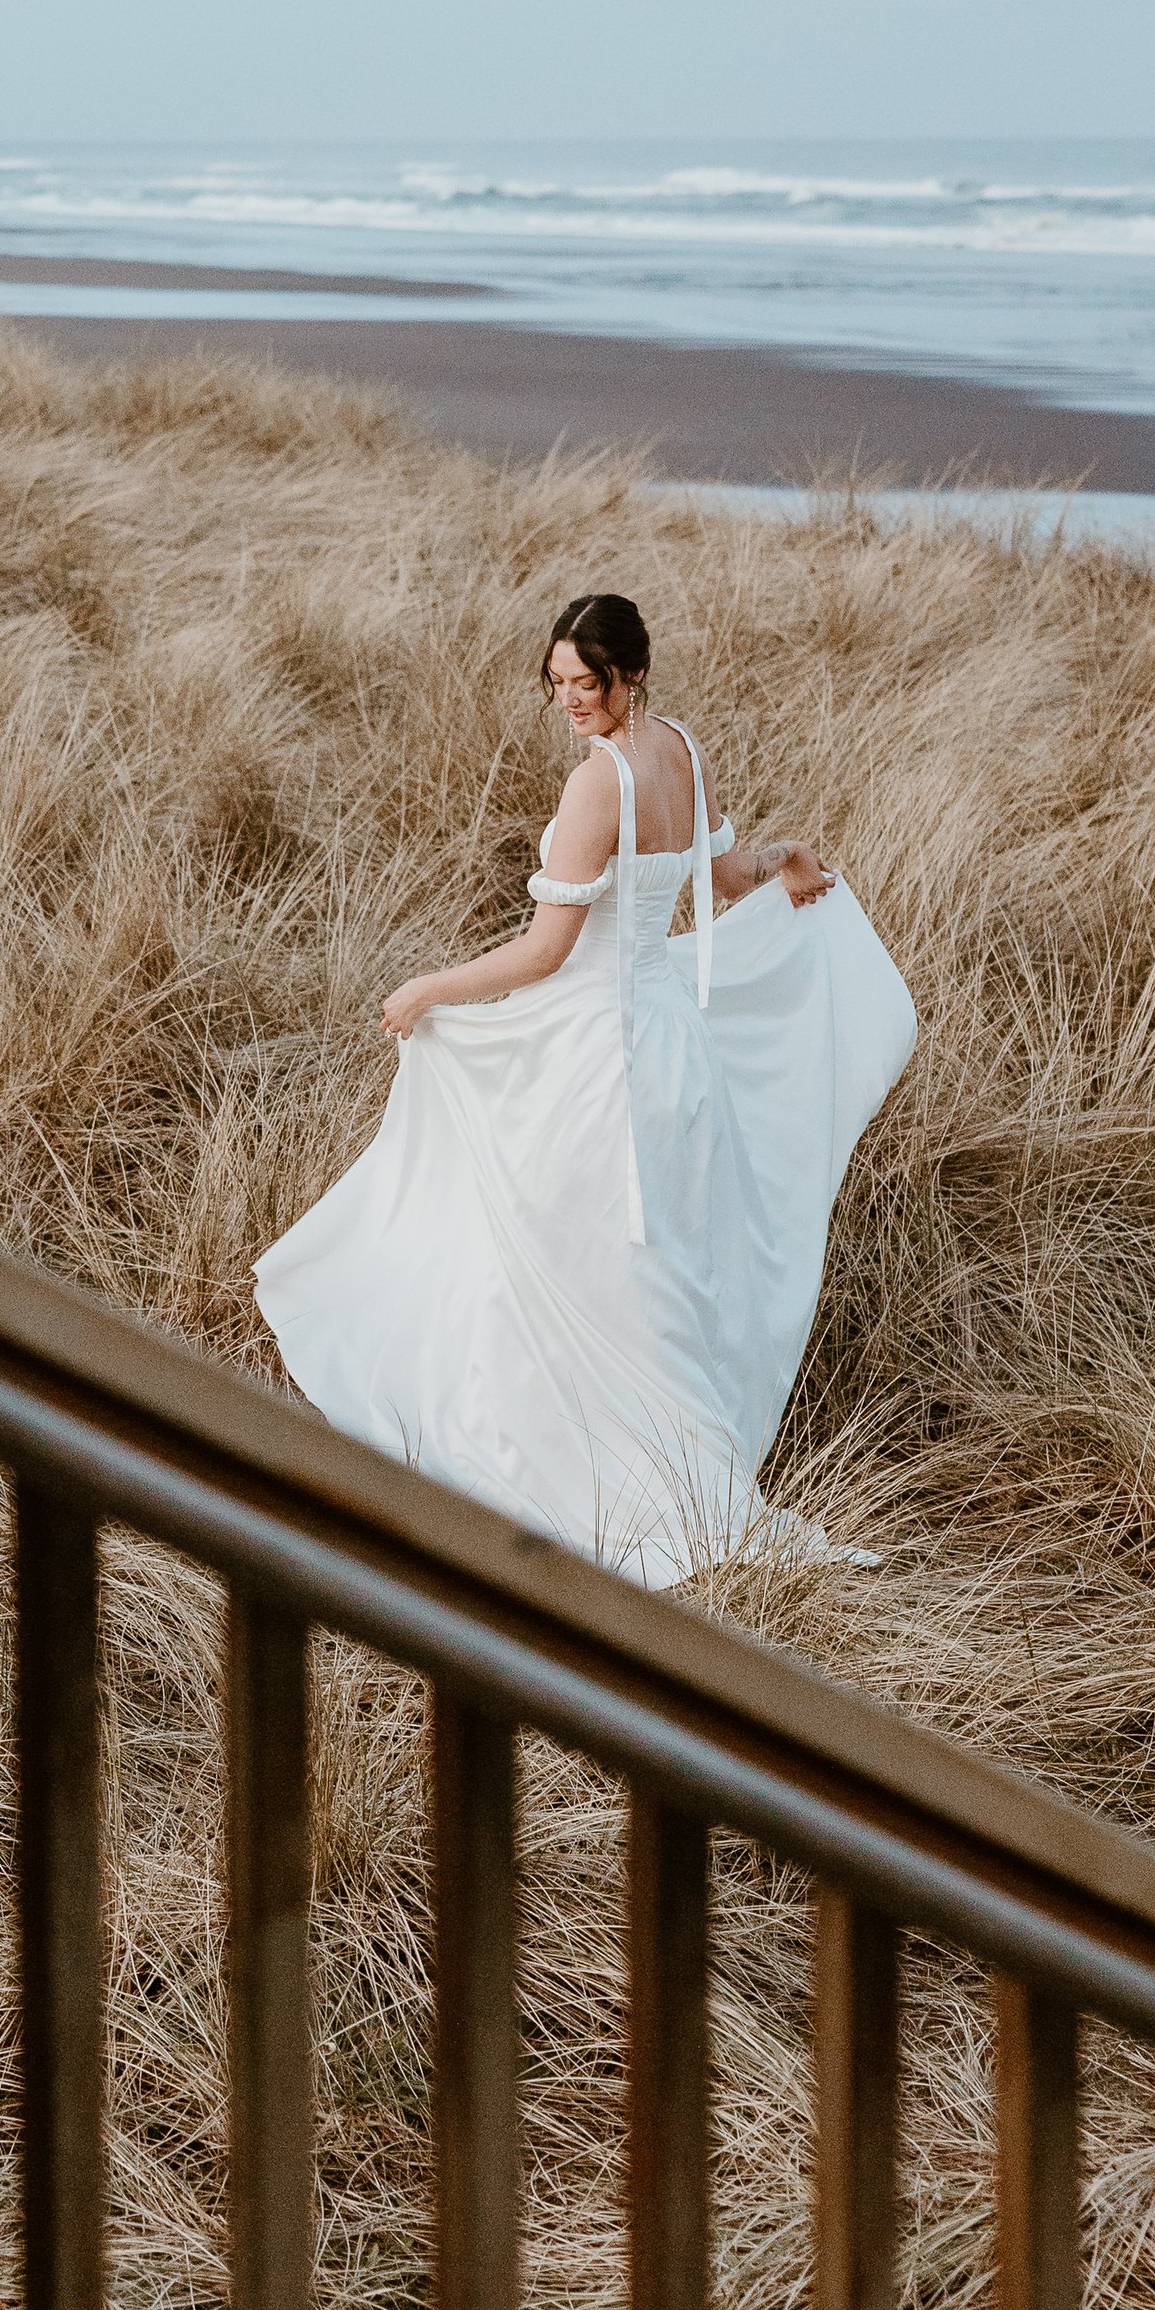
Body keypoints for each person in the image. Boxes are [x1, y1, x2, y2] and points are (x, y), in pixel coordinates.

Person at [253, 590, 915, 1586]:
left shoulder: (595, 784)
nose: (569, 701)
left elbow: (545, 949)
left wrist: (431, 989)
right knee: (633, 1264)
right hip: (670, 1046)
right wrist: (785, 859)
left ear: (629, 676)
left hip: (599, 1051)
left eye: (585, 683)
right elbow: (724, 872)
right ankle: (680, 1472)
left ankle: (610, 1472)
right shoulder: (680, 750)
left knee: (560, 1251)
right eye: (556, 684)